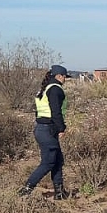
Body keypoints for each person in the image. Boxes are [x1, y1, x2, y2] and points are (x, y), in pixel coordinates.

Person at [20, 65, 70, 199]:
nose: (65, 79)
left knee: (58, 160)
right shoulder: (55, 90)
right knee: (48, 162)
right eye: (65, 76)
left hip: (42, 128)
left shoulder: (44, 89)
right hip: (48, 129)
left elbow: (40, 111)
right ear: (59, 76)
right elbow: (55, 111)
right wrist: (61, 128)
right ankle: (26, 189)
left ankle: (59, 193)